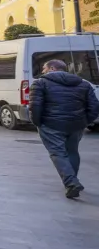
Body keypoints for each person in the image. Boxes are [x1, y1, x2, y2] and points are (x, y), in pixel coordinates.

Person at [30, 59, 99, 198]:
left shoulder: (40, 83)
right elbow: (94, 106)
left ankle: (71, 183)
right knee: (72, 151)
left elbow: (35, 106)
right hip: (76, 125)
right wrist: (85, 121)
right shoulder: (83, 83)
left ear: (52, 69)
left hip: (51, 124)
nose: (42, 71)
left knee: (57, 153)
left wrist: (38, 122)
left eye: (44, 68)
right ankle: (72, 180)